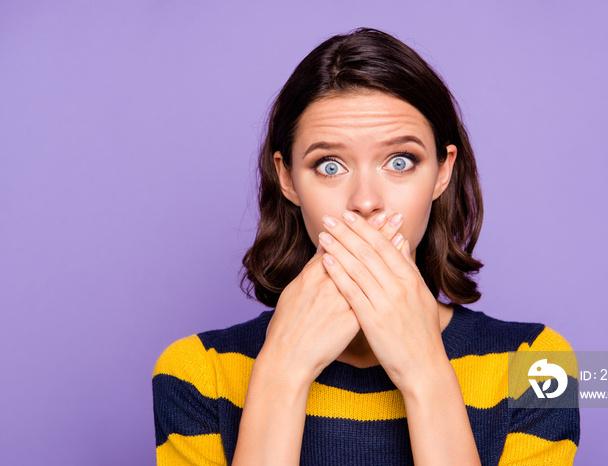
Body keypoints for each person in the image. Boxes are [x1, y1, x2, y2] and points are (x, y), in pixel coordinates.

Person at [152, 27, 580, 465]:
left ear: (441, 172)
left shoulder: (538, 366)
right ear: (287, 179)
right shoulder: (198, 372)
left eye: (400, 161)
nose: (365, 201)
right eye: (330, 165)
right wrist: (282, 374)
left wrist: (424, 372)